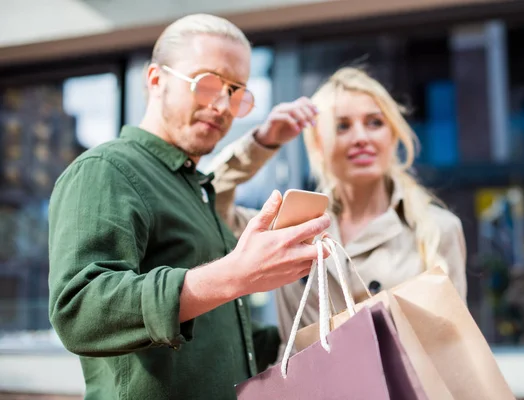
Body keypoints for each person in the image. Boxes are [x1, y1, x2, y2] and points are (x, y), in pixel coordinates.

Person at [47, 14, 330, 400]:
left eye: (236, 92)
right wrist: (233, 275)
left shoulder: (196, 188)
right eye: (207, 83)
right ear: (155, 80)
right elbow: (78, 311)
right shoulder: (106, 170)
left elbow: (216, 336)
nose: (222, 105)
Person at [207, 66, 467, 349]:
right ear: (318, 144)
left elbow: (453, 345)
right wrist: (263, 142)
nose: (360, 138)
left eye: (375, 123)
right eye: (342, 126)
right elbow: (209, 197)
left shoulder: (437, 228)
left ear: (392, 136)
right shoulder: (290, 225)